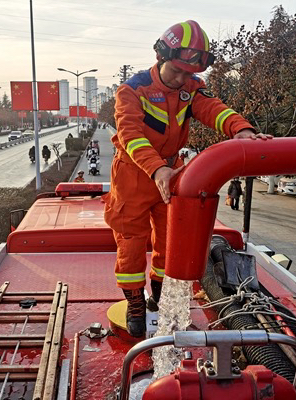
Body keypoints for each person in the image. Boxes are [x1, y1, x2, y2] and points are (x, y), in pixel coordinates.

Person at [103, 20, 272, 337]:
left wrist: (242, 130)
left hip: (172, 172)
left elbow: (214, 110)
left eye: (188, 73)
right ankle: (135, 305)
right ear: (160, 57)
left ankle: (159, 293)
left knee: (171, 241)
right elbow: (130, 136)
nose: (182, 79)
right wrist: (157, 169)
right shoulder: (132, 90)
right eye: (176, 71)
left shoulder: (191, 89)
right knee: (131, 243)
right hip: (133, 174)